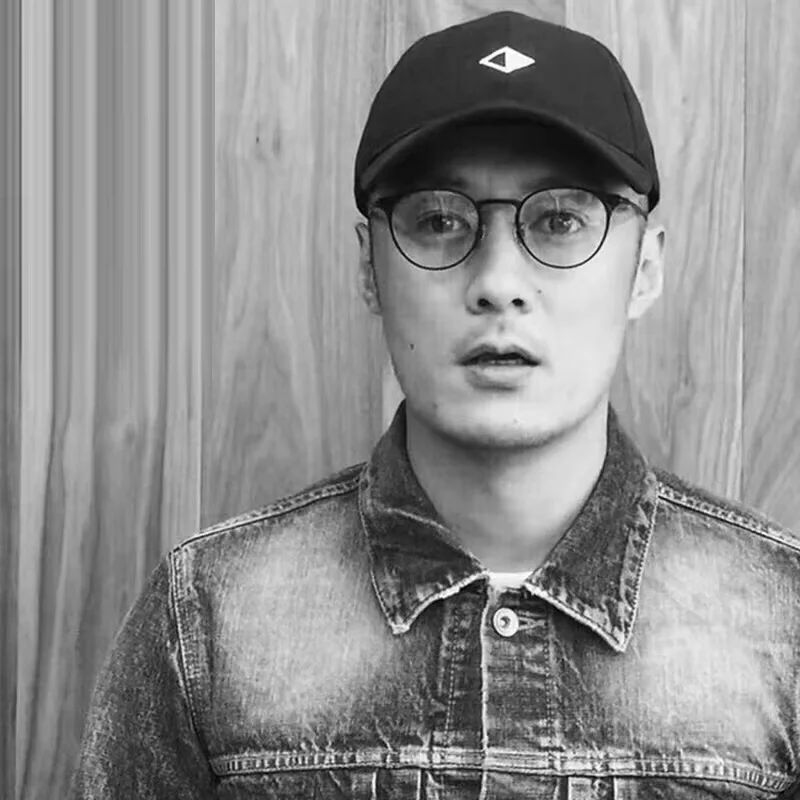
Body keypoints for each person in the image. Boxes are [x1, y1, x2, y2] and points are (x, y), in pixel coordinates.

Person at [70, 11, 800, 799]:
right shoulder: (207, 619)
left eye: (561, 220)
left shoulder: (783, 626)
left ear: (646, 268)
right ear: (369, 269)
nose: (498, 282)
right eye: (440, 220)